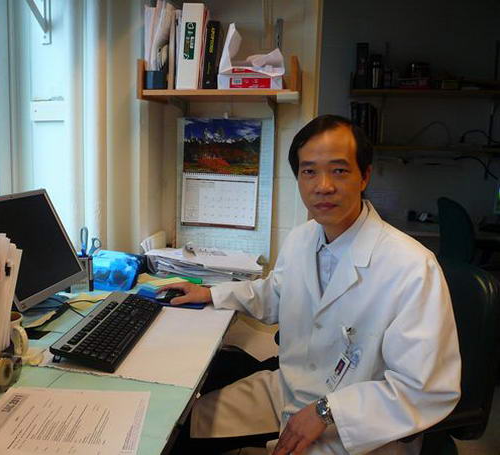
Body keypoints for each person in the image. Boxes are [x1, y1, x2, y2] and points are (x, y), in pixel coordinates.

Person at [164, 115, 461, 455]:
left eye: (339, 170)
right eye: (309, 172)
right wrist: (211, 293)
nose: (323, 186)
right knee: (182, 429)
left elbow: (424, 389)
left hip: (360, 425)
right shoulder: (302, 238)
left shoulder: (412, 267)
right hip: (288, 390)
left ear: (364, 176)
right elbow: (275, 294)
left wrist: (328, 411)